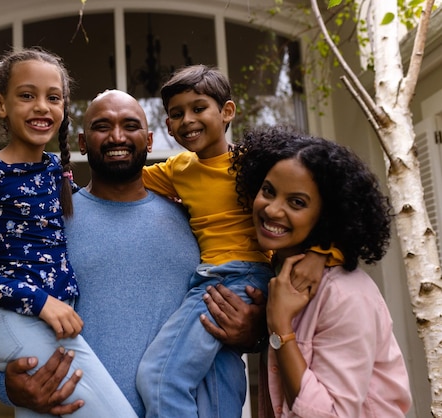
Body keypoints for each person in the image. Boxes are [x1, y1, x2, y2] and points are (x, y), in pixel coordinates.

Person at [0, 89, 267, 418]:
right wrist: (5, 385)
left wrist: (255, 333)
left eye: (130, 125)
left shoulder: (195, 220)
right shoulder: (48, 223)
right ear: (82, 143)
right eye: (101, 126)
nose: (117, 136)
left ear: (150, 140)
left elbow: (243, 299)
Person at [0, 49, 136, 418]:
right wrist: (38, 300)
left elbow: (93, 209)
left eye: (53, 97)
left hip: (55, 323)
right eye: (27, 95)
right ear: (1, 105)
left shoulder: (55, 171)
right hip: (20, 321)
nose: (42, 107)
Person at [136, 64, 342, 418]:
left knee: (159, 378)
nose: (187, 120)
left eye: (198, 108)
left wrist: (323, 253)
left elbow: (325, 204)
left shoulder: (256, 166)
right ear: (167, 124)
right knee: (220, 388)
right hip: (211, 279)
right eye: (176, 114)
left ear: (227, 111)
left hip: (238, 278)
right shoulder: (177, 169)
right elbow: (120, 179)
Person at [230, 126, 412, 417]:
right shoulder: (276, 270)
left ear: (326, 215)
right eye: (268, 191)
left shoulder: (346, 295)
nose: (273, 210)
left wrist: (279, 325)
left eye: (297, 202)